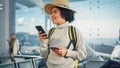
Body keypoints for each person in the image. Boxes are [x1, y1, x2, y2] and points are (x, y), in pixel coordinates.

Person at [38, 0, 87, 68]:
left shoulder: (75, 31)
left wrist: (67, 52)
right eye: (51, 12)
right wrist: (43, 42)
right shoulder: (50, 32)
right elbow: (44, 55)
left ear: (64, 14)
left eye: (55, 12)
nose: (52, 15)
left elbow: (83, 55)